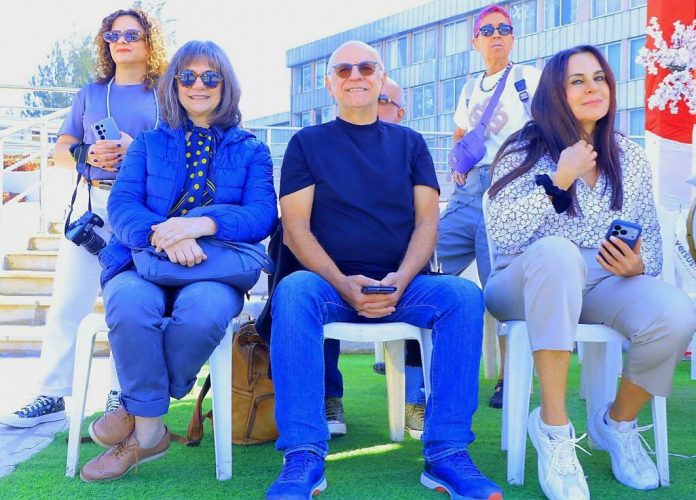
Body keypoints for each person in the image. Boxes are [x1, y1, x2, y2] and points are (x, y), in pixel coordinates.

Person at [266, 40, 502, 500]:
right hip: (329, 287)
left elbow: (428, 222)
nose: (355, 75)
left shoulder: (410, 143)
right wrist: (342, 284)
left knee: (464, 296)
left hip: (404, 286)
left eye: (366, 67)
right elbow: (295, 229)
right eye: (344, 69)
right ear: (330, 84)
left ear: (381, 78)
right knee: (293, 290)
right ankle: (303, 455)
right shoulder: (306, 144)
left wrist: (401, 279)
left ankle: (447, 452)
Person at [485, 45, 696, 500]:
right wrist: (560, 179)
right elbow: (502, 231)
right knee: (557, 253)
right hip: (521, 278)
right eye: (577, 81)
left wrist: (639, 264)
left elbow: (650, 238)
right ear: (555, 92)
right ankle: (554, 427)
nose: (592, 88)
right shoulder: (523, 147)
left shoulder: (628, 155)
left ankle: (617, 424)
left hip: (601, 281)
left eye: (599, 78)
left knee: (676, 312)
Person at [78, 40, 277, 482]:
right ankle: (150, 432)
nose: (198, 85)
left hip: (214, 267)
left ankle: (138, 412)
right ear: (174, 84)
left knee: (203, 313)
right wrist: (163, 235)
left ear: (226, 85)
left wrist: (201, 224)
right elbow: (122, 206)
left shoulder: (251, 149)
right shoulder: (148, 144)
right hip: (143, 261)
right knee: (128, 302)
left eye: (210, 77)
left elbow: (263, 214)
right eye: (187, 76)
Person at [0, 8, 168, 428]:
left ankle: (120, 395)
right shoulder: (91, 94)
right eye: (113, 35)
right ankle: (52, 393)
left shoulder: (167, 92)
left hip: (143, 211)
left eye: (132, 34)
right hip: (92, 207)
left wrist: (137, 149)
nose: (121, 41)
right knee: (67, 303)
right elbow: (61, 150)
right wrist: (85, 154)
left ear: (149, 41)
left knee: (129, 305)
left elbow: (181, 149)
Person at [437, 4, 541, 409]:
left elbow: (552, 124)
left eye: (504, 29)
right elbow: (460, 131)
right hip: (468, 193)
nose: (497, 35)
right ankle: (416, 361)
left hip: (508, 187)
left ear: (512, 37)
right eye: (488, 30)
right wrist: (456, 165)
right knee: (427, 255)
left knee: (501, 287)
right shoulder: (469, 88)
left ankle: (510, 378)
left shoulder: (528, 78)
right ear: (476, 41)